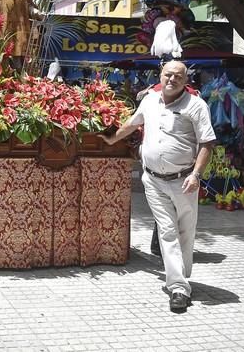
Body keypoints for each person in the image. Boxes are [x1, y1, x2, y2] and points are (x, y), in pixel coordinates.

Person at [101, 60, 215, 313]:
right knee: (167, 231)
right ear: (160, 76)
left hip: (184, 180)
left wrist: (196, 175)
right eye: (168, 75)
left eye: (178, 76)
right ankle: (178, 288)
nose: (172, 79)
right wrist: (110, 139)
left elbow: (207, 143)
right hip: (152, 179)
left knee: (185, 232)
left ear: (186, 81)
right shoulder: (150, 100)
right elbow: (132, 123)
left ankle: (181, 278)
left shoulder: (196, 106)